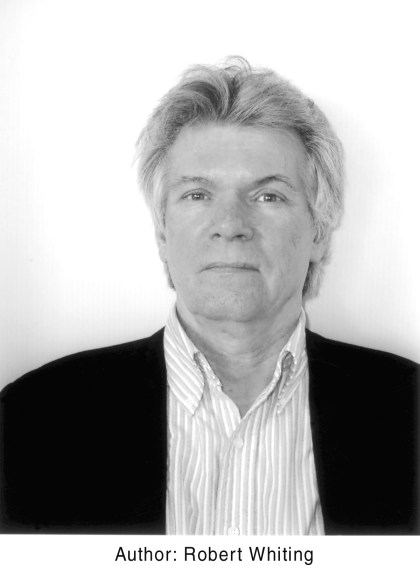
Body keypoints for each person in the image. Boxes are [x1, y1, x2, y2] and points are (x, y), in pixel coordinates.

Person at [0, 58, 418, 535]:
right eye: (198, 194)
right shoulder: (30, 420)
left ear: (319, 233)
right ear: (162, 232)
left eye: (268, 196)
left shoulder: (410, 414)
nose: (231, 225)